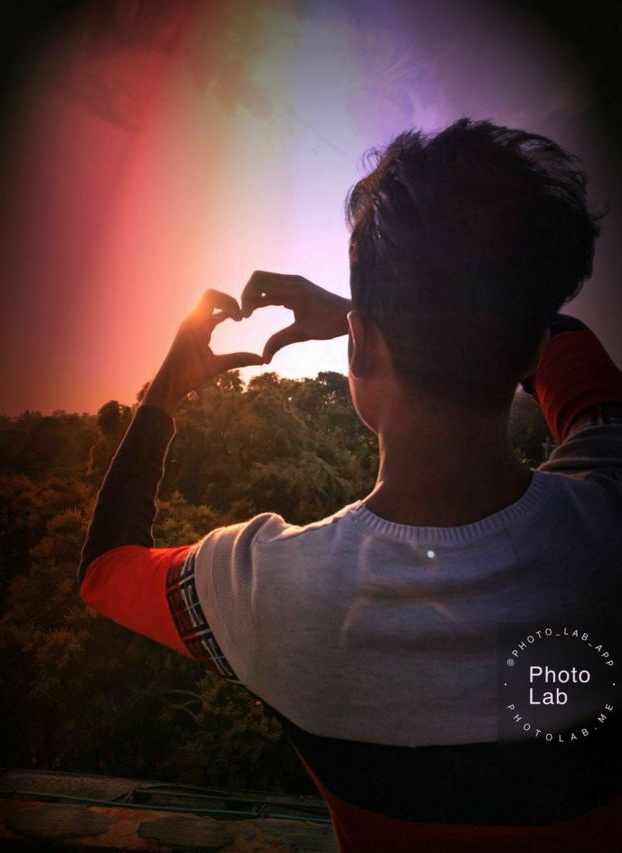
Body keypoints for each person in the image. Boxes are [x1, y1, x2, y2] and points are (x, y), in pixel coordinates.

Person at [78, 118, 622, 852]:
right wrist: (370, 314)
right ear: (526, 346)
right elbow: (578, 369)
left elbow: (105, 569)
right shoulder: (608, 514)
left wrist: (165, 392)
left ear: (358, 346)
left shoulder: (268, 591)